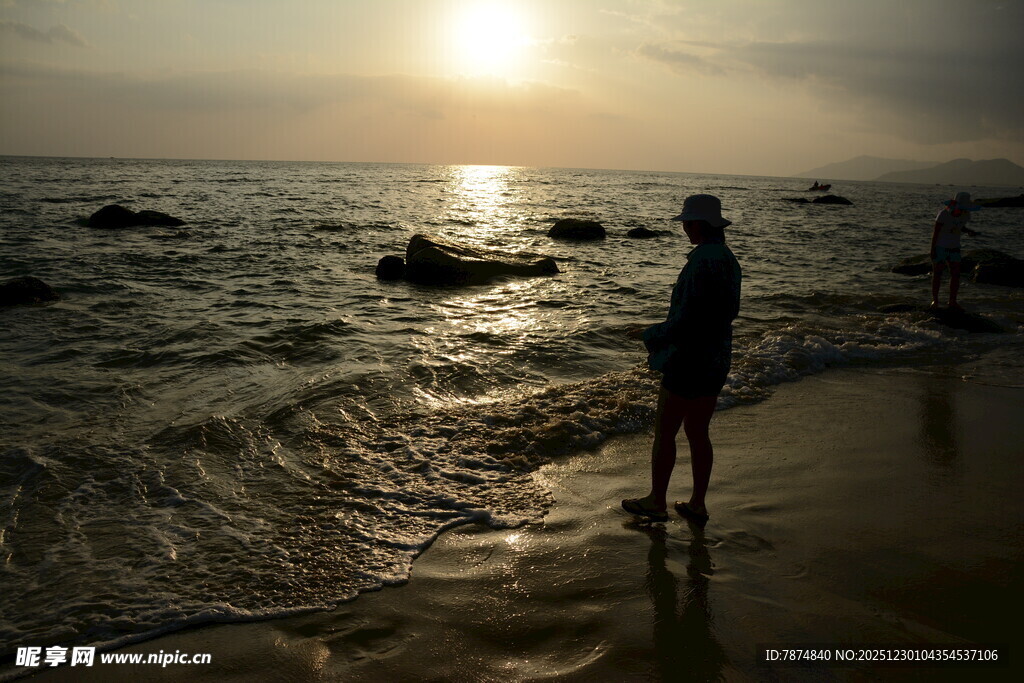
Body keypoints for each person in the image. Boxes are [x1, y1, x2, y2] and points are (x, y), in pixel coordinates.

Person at [622, 194, 741, 524]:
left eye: (687, 223)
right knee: (699, 433)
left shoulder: (701, 261)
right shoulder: (728, 259)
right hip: (717, 358)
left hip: (690, 361)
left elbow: (687, 321)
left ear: (698, 225)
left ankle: (656, 502)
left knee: (666, 432)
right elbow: (722, 313)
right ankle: (697, 504)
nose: (685, 229)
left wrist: (648, 334)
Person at [930, 191, 981, 310]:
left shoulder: (966, 215)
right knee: (937, 274)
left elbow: (960, 226)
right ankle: (935, 301)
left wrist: (968, 231)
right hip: (941, 247)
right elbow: (936, 232)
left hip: (955, 247)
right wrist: (932, 249)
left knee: (955, 275)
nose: (962, 210)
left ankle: (952, 301)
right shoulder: (943, 214)